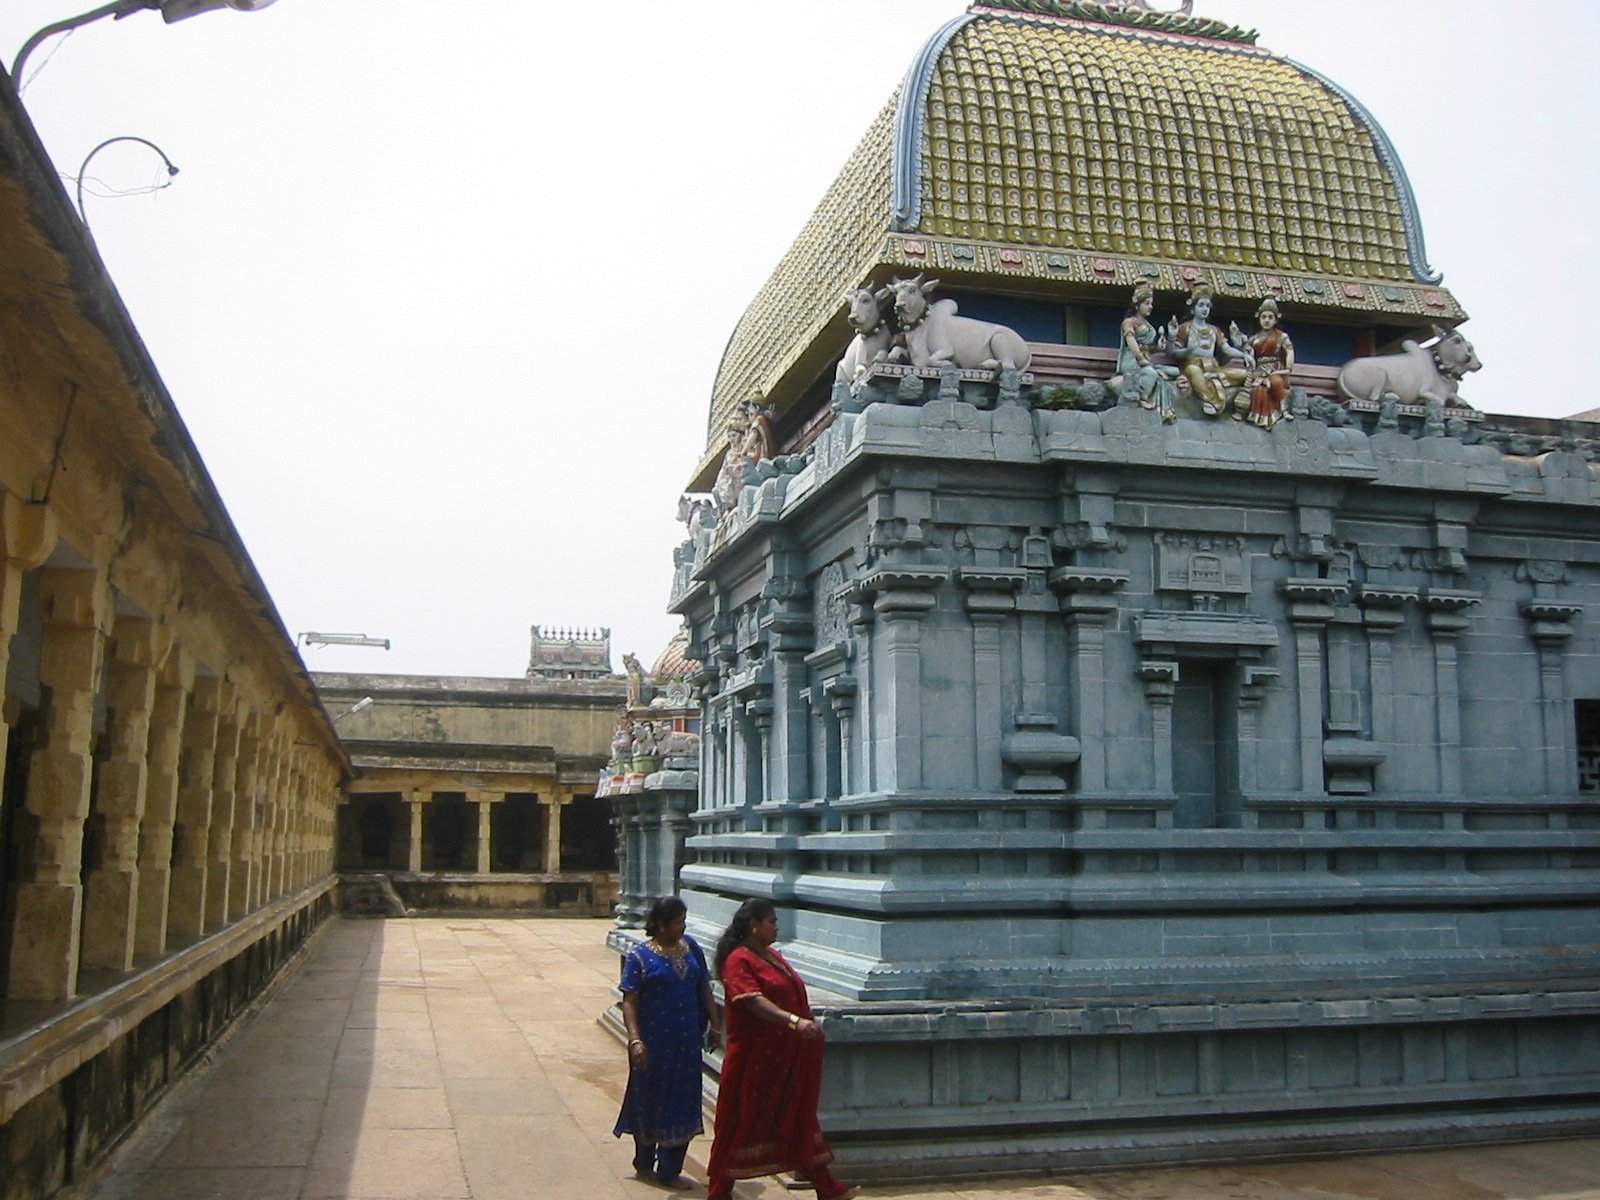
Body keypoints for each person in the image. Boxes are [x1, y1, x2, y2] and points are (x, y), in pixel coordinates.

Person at [706, 899, 858, 1200]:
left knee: (796, 1119)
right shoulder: (739, 960)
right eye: (771, 921)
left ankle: (827, 1188)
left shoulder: (770, 956)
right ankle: (718, 1193)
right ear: (754, 926)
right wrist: (793, 1021)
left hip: (783, 1059)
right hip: (754, 1061)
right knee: (739, 1124)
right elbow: (751, 1000)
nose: (776, 927)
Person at [614, 896, 719, 1191]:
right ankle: (644, 1160)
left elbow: (703, 987)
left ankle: (670, 1168)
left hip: (687, 1043)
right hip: (653, 1045)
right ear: (660, 925)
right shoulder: (640, 957)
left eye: (683, 922)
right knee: (649, 1097)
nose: (681, 928)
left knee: (682, 1100)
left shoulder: (692, 949)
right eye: (676, 923)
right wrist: (635, 1040)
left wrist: (715, 1024)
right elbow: (630, 1001)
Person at [1166, 284, 1251, 417]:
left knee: (1244, 374)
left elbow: (1226, 349)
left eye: (1207, 306)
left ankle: (1212, 378)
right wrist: (1187, 349)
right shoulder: (1185, 328)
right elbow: (1173, 353)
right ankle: (1211, 401)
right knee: (1194, 371)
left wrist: (1243, 355)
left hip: (1214, 368)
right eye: (1201, 305)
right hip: (1193, 366)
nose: (1205, 309)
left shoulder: (1214, 330)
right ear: (1193, 309)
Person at [1115, 282, 1180, 422]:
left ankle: (1163, 408)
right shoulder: (1129, 322)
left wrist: (1158, 348)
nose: (1150, 306)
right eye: (1147, 303)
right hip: (1131, 360)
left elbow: (1147, 348)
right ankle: (1142, 397)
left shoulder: (1148, 326)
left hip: (1145, 360)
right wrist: (1139, 358)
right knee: (1151, 373)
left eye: (1151, 303)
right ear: (1137, 305)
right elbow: (1131, 341)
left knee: (1174, 371)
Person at [1239, 297, 1295, 428]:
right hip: (1259, 370)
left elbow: (1289, 350)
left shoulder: (1281, 336)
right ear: (1259, 319)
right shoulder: (1255, 338)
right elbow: (1248, 354)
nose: (1266, 320)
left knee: (1276, 382)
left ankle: (1284, 410)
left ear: (1275, 320)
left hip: (1275, 369)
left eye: (1270, 317)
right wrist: (1242, 344)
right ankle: (1257, 417)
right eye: (1263, 317)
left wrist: (1288, 368)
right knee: (1258, 390)